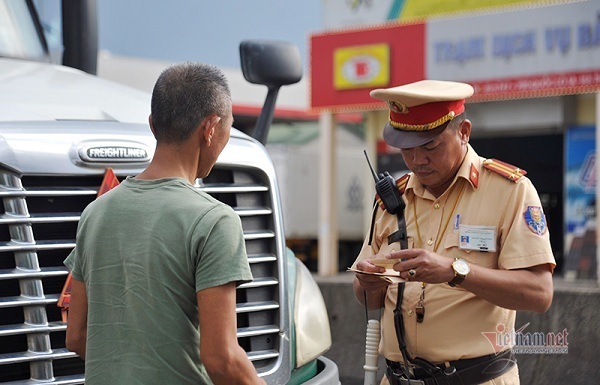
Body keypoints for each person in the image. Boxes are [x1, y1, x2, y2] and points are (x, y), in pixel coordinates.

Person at [65, 62, 266, 385]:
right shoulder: (215, 220)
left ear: (152, 125)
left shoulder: (96, 213)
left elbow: (76, 335)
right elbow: (221, 359)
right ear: (211, 128)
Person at [352, 80, 555, 385]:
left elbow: (539, 293)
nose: (417, 160)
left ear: (464, 132)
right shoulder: (392, 199)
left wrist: (453, 271)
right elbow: (367, 295)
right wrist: (368, 281)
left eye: (430, 146)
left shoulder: (509, 191)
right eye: (406, 149)